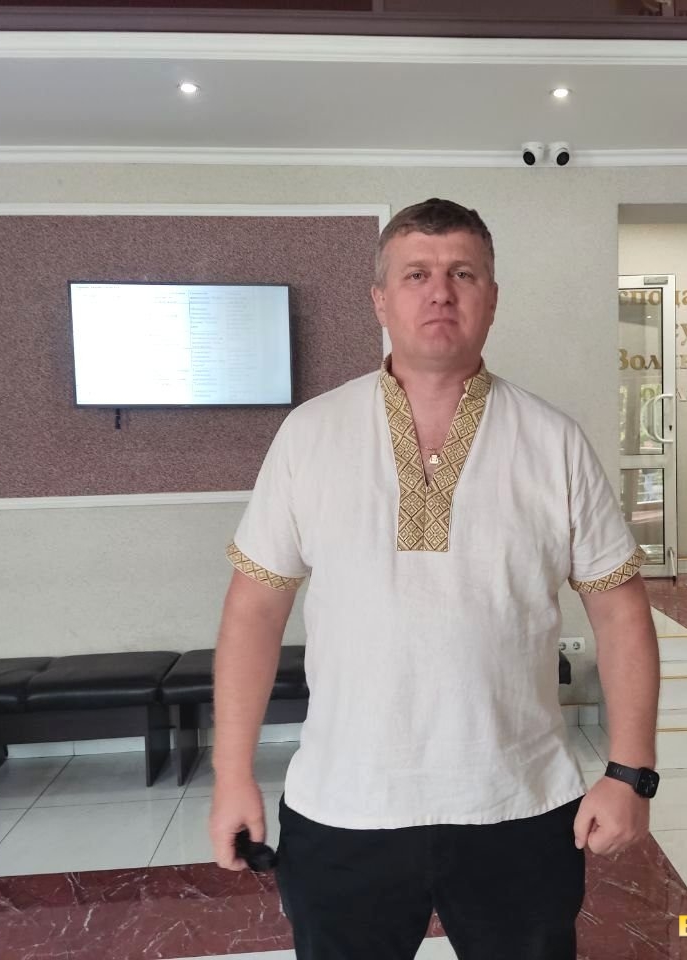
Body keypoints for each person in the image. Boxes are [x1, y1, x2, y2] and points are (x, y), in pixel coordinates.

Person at [208, 198, 661, 960]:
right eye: (416, 274)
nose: (440, 292)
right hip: (345, 805)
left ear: (493, 298)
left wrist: (631, 771)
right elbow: (254, 611)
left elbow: (620, 614)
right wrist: (231, 776)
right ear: (380, 300)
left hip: (518, 802)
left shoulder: (552, 441)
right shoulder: (309, 435)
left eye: (463, 274)